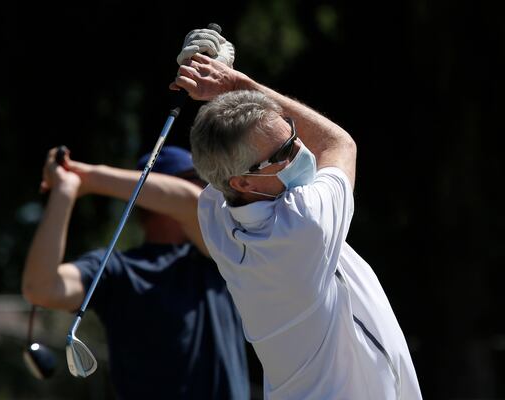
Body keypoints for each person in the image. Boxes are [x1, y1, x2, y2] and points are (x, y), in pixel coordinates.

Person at [170, 27, 423, 399]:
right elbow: (338, 143)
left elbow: (222, 151)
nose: (300, 149)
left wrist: (221, 90)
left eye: (291, 132)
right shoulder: (303, 224)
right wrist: (236, 83)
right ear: (242, 183)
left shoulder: (218, 216)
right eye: (283, 153)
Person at [22, 145, 250, 399]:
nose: (210, 195)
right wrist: (65, 190)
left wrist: (88, 177)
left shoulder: (218, 255)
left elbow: (190, 203)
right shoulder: (116, 269)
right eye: (198, 182)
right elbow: (41, 288)